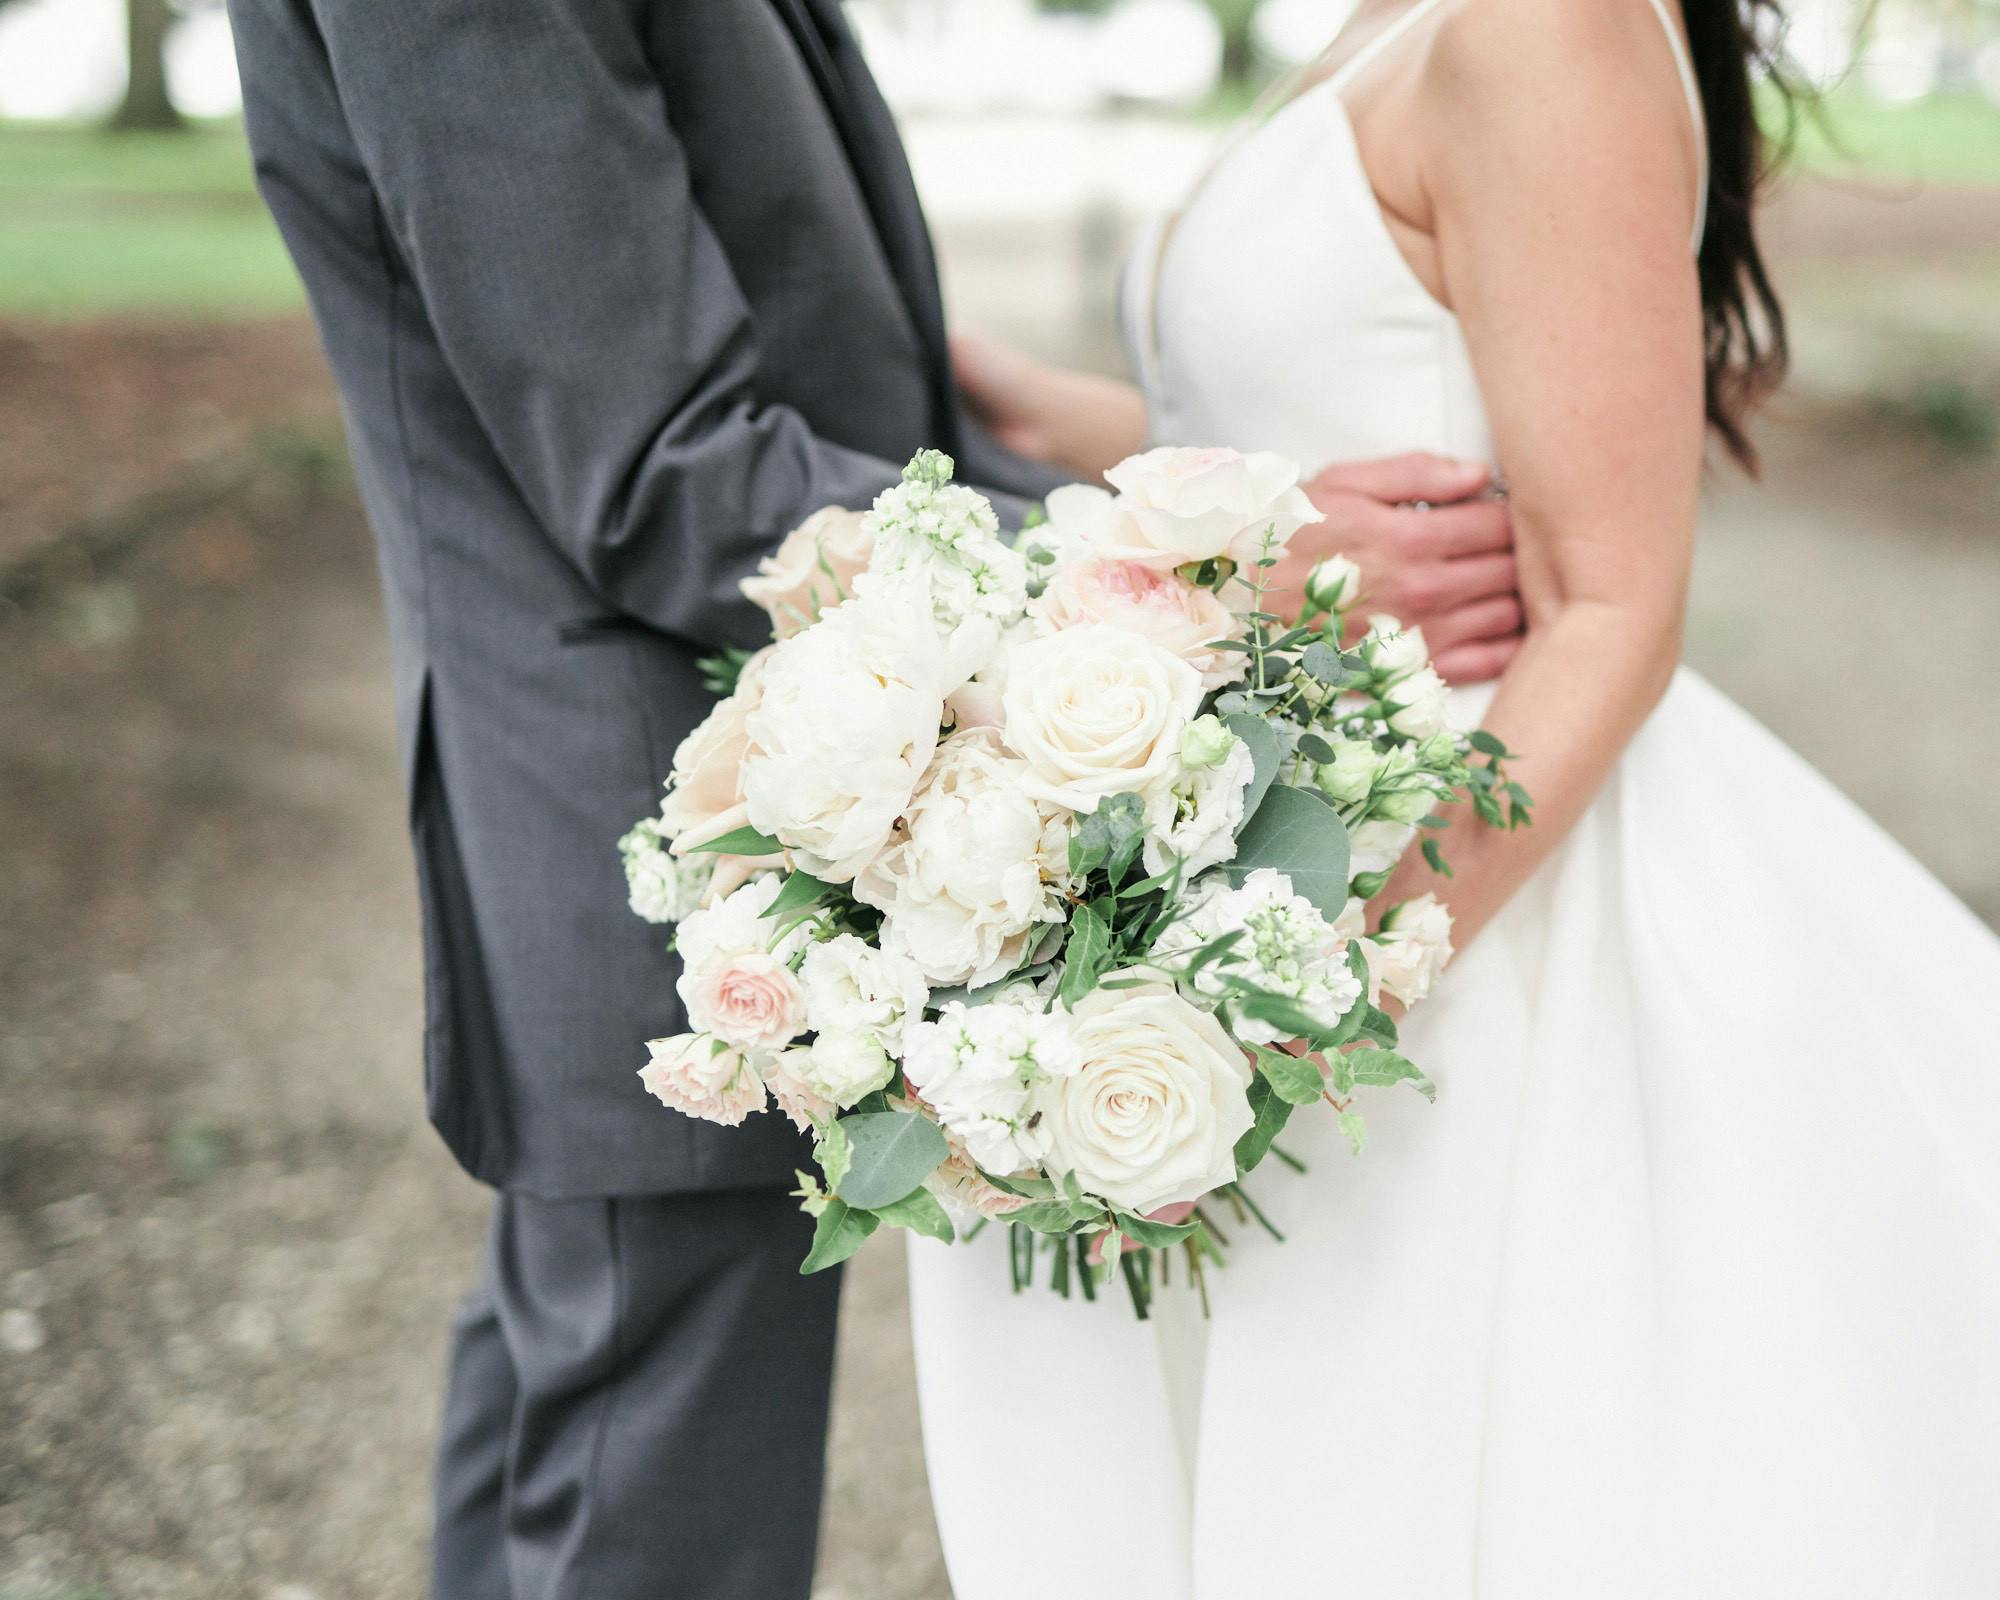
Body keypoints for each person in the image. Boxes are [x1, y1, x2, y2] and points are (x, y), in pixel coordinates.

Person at [223, 1, 1520, 1594]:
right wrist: (1210, 556)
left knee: (581, 1430)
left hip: (713, 774)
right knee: (650, 1508)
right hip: (664, 802)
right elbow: (663, 477)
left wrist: (1103, 463)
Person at [908, 1, 2000, 1595]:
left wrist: (1326, 991)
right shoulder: (1396, 18)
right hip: (1291, 804)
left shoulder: (1545, 27)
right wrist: (1011, 407)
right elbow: (1340, 413)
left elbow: (1615, 607)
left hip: (1461, 859)